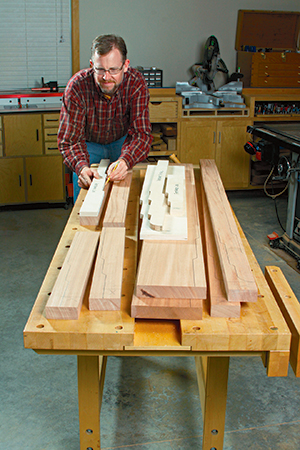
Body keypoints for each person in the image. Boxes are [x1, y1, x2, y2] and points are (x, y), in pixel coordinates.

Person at [58, 34, 153, 202]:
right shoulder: (77, 87)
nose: (106, 77)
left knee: (124, 199)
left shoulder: (136, 83)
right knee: (85, 199)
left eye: (113, 70)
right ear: (91, 65)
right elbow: (70, 140)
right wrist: (81, 168)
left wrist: (126, 160)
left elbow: (141, 134)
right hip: (88, 146)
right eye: (100, 69)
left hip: (122, 144)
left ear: (125, 65)